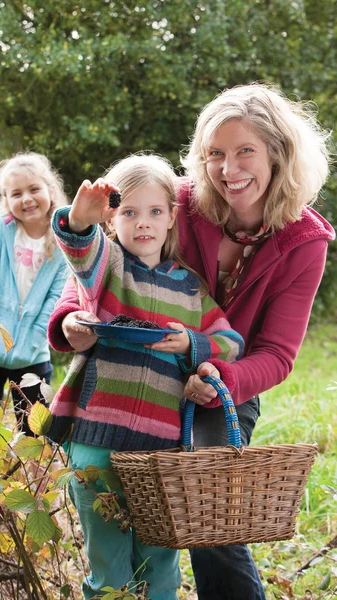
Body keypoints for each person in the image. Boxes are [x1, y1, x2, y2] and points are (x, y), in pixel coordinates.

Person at [47, 84, 335, 599]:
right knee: (116, 514)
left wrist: (212, 370)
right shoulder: (178, 202)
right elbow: (106, 260)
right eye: (215, 154)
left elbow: (277, 353)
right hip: (129, 378)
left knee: (206, 503)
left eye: (245, 150)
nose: (229, 170)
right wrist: (72, 312)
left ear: (279, 153)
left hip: (222, 380)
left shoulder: (303, 241)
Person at [47, 153, 245, 600]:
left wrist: (195, 345)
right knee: (108, 570)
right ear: (113, 218)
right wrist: (79, 222)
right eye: (130, 212)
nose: (143, 223)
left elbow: (231, 341)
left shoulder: (191, 288)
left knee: (159, 567)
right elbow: (81, 251)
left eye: (155, 212)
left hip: (161, 453)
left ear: (172, 218)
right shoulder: (108, 267)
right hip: (98, 445)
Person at [0, 152, 68, 436]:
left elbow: (56, 299)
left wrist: (30, 341)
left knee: (33, 435)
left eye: (34, 189)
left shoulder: (62, 240)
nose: (27, 198)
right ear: (6, 199)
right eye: (16, 193)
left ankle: (28, 480)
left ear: (50, 189)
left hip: (32, 355)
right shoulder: (0, 231)